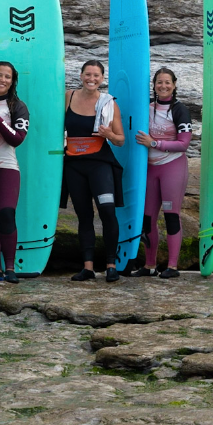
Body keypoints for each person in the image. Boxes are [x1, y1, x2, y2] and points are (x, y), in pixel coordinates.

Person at [61, 60, 126, 283]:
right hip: (74, 165)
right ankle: (88, 268)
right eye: (88, 74)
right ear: (80, 75)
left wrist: (108, 134)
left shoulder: (108, 103)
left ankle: (110, 265)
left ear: (101, 78)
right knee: (84, 216)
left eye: (96, 75)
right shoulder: (67, 97)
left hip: (100, 164)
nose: (91, 78)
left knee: (107, 211)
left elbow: (120, 140)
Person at [133, 67, 192, 279]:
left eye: (167, 82)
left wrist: (155, 143)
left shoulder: (180, 110)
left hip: (172, 167)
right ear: (154, 85)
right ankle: (149, 265)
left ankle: (173, 266)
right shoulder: (146, 107)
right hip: (150, 169)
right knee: (147, 219)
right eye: (159, 82)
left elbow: (184, 143)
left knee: (171, 217)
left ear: (174, 85)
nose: (163, 86)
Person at [0, 62, 30, 283]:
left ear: (12, 81)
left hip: (6, 167)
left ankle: (10, 268)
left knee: (6, 214)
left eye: (7, 77)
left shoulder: (17, 106)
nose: (2, 79)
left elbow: (17, 139)